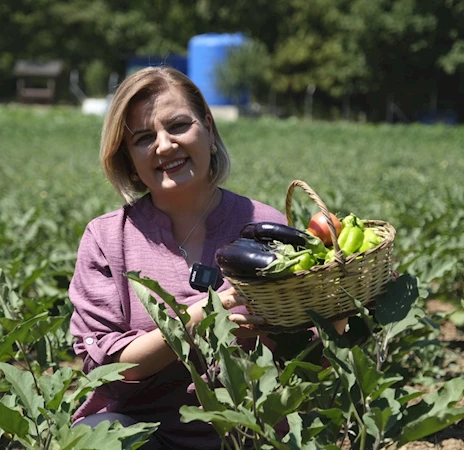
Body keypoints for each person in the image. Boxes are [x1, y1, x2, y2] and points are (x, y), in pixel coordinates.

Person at [68, 66, 291, 449]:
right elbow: (107, 369)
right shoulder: (107, 238)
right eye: (143, 138)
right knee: (99, 438)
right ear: (128, 157)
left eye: (178, 126)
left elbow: (308, 348)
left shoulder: (264, 225)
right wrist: (199, 319)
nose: (165, 145)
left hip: (252, 435)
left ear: (208, 127)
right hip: (146, 435)